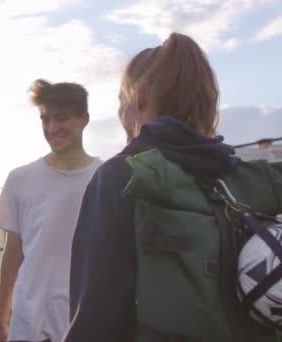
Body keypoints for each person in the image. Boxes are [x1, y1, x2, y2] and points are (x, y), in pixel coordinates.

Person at [64, 32, 282, 341]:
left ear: (138, 98)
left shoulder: (124, 175)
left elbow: (95, 319)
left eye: (120, 101)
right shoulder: (254, 180)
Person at [0, 79, 101, 342]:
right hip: (26, 323)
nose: (52, 128)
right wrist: (0, 322)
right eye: (45, 119)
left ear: (83, 119)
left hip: (81, 323)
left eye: (61, 118)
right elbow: (12, 253)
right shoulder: (20, 179)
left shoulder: (104, 178)